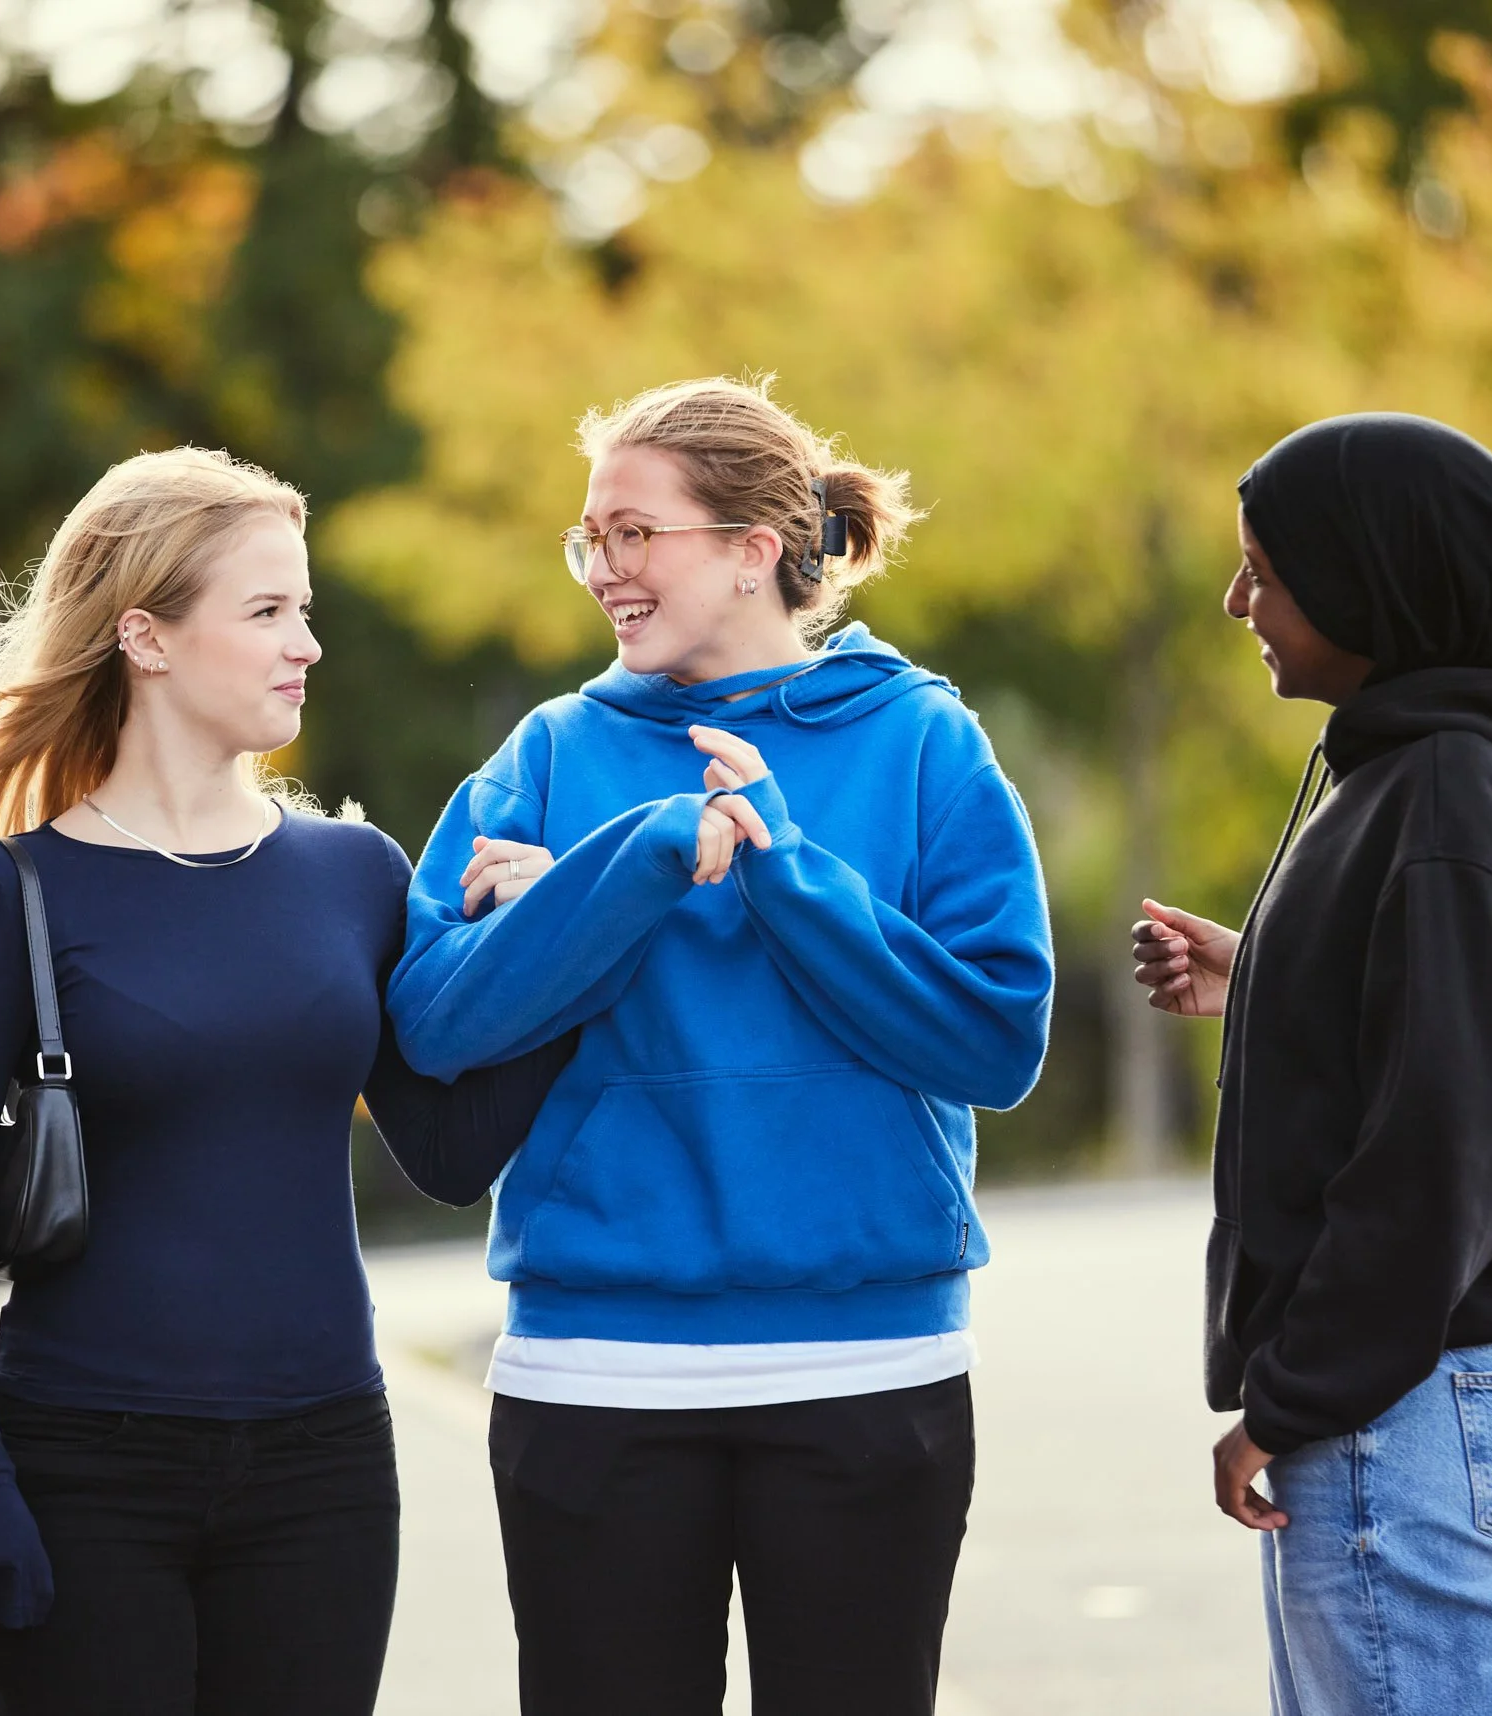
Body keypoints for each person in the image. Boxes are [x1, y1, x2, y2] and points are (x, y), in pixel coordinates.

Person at [386, 377, 1054, 1716]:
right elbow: (435, 1026)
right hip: (595, 1373)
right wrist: (621, 870)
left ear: (756, 548)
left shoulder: (923, 740)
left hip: (868, 1369)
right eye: (590, 539)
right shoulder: (551, 753)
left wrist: (787, 874)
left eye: (636, 533)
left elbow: (994, 1044)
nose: (604, 572)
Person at [0, 447, 574, 1716]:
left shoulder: (356, 872)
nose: (305, 642)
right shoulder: (12, 893)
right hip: (82, 1471)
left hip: (323, 1471)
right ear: (144, 636)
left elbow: (448, 1151)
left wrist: (556, 955)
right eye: (267, 611)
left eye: (304, 609)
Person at [1133, 413, 1492, 1716]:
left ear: (1376, 582)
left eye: (1268, 572)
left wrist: (1290, 1403)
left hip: (1408, 1398)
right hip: (1431, 1387)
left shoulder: (1445, 789)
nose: (1239, 600)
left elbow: (1440, 1154)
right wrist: (1269, 983)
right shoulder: (1435, 775)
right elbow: (1452, 1038)